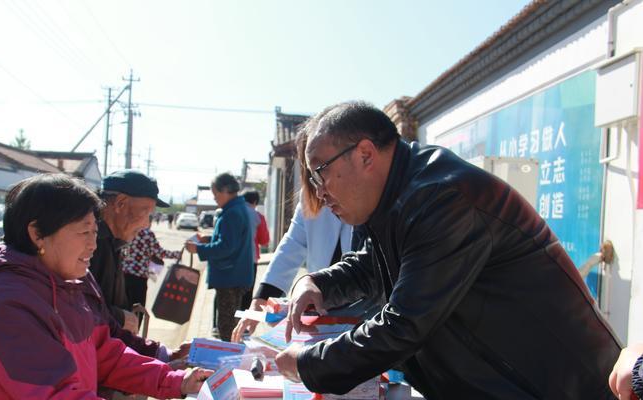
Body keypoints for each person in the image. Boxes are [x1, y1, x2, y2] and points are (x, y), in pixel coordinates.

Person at [274, 101, 621, 399]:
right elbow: (375, 266)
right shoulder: (398, 196)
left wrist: (307, 363)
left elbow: (403, 326)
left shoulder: (443, 199)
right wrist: (319, 283)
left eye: (320, 173)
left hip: (556, 387)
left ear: (365, 154)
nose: (319, 192)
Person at [0, 174, 211, 398]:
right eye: (84, 232)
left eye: (94, 233)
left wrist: (177, 382)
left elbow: (105, 354)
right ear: (37, 233)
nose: (93, 245)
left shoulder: (69, 283)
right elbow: (56, 393)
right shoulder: (7, 304)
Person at [232, 129, 355, 343]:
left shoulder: (368, 194)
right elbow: (292, 244)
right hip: (323, 304)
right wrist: (261, 299)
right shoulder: (311, 199)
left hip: (365, 308)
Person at [90, 169, 169, 331]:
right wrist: (119, 317)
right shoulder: (89, 244)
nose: (147, 224)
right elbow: (74, 308)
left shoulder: (114, 243)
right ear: (120, 203)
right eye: (146, 212)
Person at [185, 173, 255, 342]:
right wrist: (208, 239)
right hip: (234, 274)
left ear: (225, 191)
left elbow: (226, 247)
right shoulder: (236, 209)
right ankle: (231, 357)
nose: (214, 198)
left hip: (230, 276)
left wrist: (199, 249)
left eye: (215, 194)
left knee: (227, 327)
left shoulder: (232, 213)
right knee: (230, 323)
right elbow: (231, 241)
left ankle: (229, 361)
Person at [121, 225, 181, 308]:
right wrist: (177, 254)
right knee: (137, 309)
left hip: (123, 275)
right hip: (139, 277)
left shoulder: (125, 230)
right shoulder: (147, 233)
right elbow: (159, 253)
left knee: (123, 307)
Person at [240, 190, 270, 311]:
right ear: (255, 202)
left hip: (231, 259)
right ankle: (243, 321)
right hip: (250, 258)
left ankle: (216, 325)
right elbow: (264, 241)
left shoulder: (231, 212)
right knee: (247, 291)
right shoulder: (258, 216)